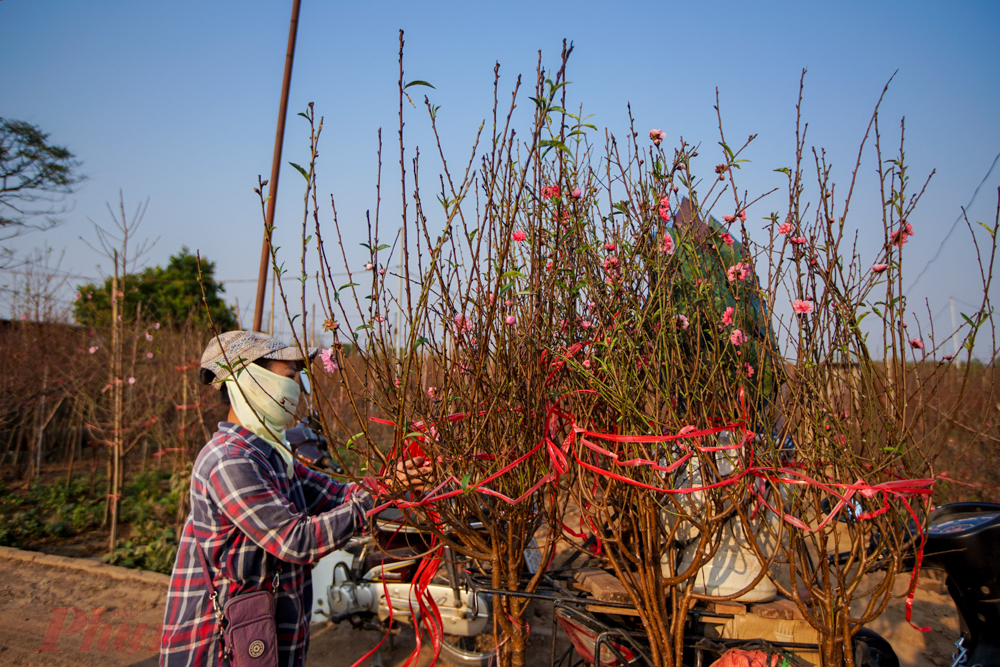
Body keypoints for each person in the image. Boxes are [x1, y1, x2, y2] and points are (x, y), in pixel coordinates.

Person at [160, 330, 431, 666]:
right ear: (251, 380)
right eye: (289, 375)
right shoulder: (229, 461)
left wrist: (391, 483)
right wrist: (381, 494)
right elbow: (295, 540)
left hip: (262, 632)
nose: (297, 387)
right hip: (222, 646)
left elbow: (337, 494)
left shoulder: (272, 455)